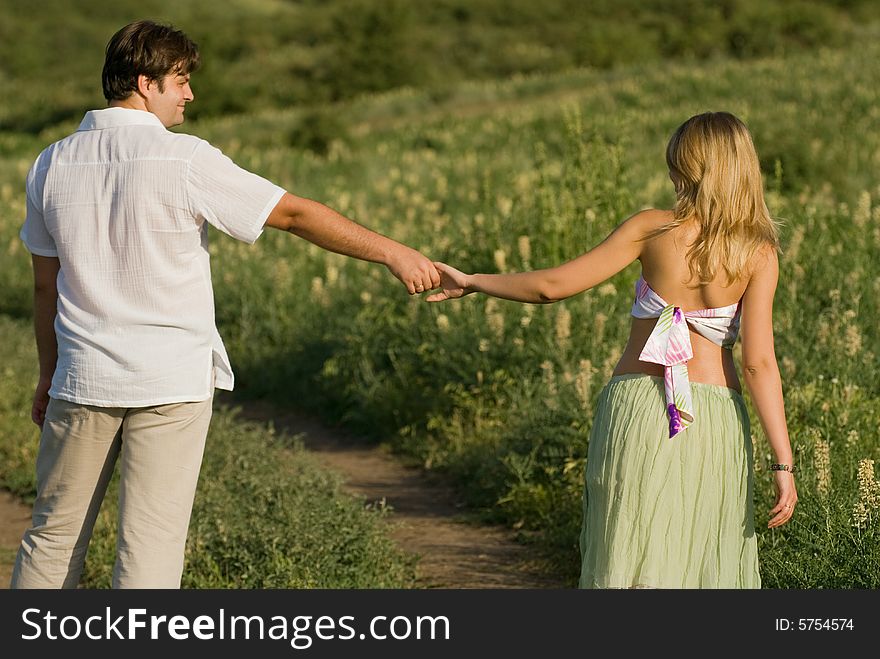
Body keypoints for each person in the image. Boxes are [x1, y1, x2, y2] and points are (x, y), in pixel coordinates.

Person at [12, 20, 439, 589]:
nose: (190, 94)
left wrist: (48, 373)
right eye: (181, 80)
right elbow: (292, 214)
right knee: (150, 550)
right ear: (146, 83)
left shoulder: (50, 163)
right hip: (170, 381)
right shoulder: (185, 159)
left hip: (81, 377)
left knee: (52, 538)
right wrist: (392, 252)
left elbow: (46, 285)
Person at [427, 112, 797, 588]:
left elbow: (551, 287)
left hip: (640, 408)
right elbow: (758, 363)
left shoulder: (651, 229)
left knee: (630, 553)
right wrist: (782, 464)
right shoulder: (758, 251)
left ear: (689, 167)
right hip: (716, 419)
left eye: (676, 162)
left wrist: (474, 281)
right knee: (702, 555)